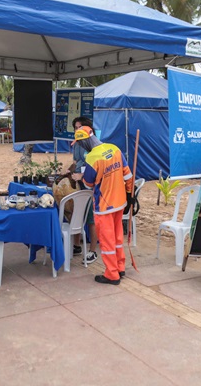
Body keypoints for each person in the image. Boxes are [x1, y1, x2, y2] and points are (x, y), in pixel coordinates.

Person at [72, 126, 134, 285]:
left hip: (104, 206)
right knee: (117, 238)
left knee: (107, 242)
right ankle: (120, 267)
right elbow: (128, 175)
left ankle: (112, 274)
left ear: (84, 142)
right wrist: (130, 195)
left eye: (79, 143)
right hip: (120, 203)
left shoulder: (92, 158)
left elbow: (88, 183)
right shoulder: (114, 149)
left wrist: (83, 177)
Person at [68, 116, 98, 264]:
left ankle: (93, 250)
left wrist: (83, 176)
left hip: (90, 185)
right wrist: (66, 172)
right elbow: (75, 162)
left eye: (79, 128)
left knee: (91, 218)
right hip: (78, 182)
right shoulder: (76, 144)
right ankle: (76, 245)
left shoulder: (94, 145)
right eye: (75, 128)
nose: (77, 131)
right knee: (76, 211)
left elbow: (96, 168)